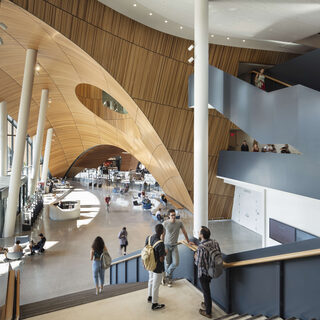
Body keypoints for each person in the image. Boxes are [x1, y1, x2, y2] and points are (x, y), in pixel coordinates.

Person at [194, 226, 221, 319]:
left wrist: (195, 257)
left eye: (199, 232)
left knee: (206, 291)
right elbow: (219, 254)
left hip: (204, 273)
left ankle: (208, 312)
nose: (198, 233)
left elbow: (199, 263)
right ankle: (206, 303)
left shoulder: (201, 247)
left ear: (201, 235)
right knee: (207, 289)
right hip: (212, 270)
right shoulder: (215, 242)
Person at [163, 208, 192, 287]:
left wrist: (188, 241)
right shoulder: (165, 223)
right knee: (168, 263)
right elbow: (163, 235)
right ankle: (169, 280)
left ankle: (166, 274)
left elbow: (184, 232)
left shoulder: (179, 223)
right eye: (172, 215)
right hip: (166, 245)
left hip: (174, 245)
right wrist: (162, 245)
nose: (173, 216)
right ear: (169, 216)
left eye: (174, 215)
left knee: (176, 263)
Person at [146, 224, 166, 311]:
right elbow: (161, 259)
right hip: (157, 267)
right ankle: (154, 304)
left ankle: (150, 296)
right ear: (162, 232)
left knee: (150, 280)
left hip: (150, 264)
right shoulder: (160, 244)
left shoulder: (149, 237)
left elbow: (146, 248)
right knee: (156, 285)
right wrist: (165, 253)